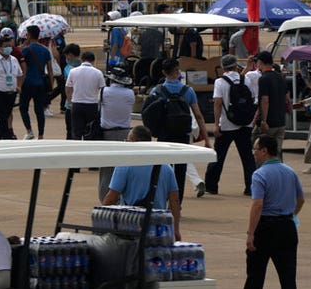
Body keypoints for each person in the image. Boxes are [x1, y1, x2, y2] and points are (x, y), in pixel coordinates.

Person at [244, 135, 304, 289]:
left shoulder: (259, 174)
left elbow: (257, 205)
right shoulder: (290, 171)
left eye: (255, 149)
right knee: (288, 278)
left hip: (265, 228)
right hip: (287, 227)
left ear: (264, 151)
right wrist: (292, 215)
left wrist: (250, 233)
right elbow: (301, 199)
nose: (253, 153)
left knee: (255, 276)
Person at [102, 126, 183, 240]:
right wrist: (175, 229)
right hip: (157, 227)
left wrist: (100, 222)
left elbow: (111, 198)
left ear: (135, 141)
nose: (126, 143)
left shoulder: (125, 165)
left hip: (131, 225)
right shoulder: (166, 167)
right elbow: (175, 200)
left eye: (128, 140)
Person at [145, 58, 209, 201]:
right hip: (182, 136)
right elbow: (198, 116)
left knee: (162, 170)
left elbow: (149, 113)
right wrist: (206, 139)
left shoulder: (158, 90)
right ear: (178, 72)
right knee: (181, 171)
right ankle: (177, 204)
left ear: (163, 72)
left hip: (164, 135)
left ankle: (162, 199)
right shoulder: (188, 91)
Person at [205, 54, 259, 195]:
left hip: (227, 124)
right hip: (244, 124)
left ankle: (211, 186)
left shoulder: (220, 82)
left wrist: (216, 124)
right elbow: (252, 99)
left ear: (223, 67)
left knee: (218, 156)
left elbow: (217, 103)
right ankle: (250, 187)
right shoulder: (245, 79)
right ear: (236, 66)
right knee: (247, 158)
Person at [96, 66, 135, 200]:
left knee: (106, 169)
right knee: (124, 167)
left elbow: (99, 107)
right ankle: (122, 197)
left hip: (107, 133)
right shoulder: (130, 94)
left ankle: (104, 198)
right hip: (125, 133)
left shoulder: (103, 92)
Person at [253, 51, 290, 157]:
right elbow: (286, 98)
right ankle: (279, 172)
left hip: (269, 122)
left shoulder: (264, 79)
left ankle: (262, 172)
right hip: (281, 121)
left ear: (260, 62)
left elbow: (265, 101)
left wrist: (264, 121)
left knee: (261, 151)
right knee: (276, 152)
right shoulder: (280, 77)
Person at [18, 25, 52, 140]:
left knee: (23, 108)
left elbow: (22, 67)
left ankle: (29, 131)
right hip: (41, 83)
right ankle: (41, 135)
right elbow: (50, 69)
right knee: (39, 110)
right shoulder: (45, 50)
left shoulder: (26, 50)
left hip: (27, 83)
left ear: (29, 35)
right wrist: (51, 84)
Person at [65, 51, 105, 140]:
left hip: (77, 104)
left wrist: (70, 103)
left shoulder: (73, 71)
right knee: (91, 132)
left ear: (82, 60)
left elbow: (68, 88)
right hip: (92, 105)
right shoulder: (98, 73)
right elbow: (102, 89)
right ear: (93, 61)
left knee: (76, 132)